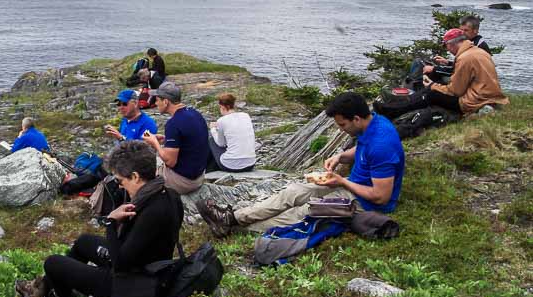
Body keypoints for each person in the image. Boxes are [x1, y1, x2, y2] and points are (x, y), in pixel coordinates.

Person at [196, 92, 405, 237]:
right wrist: (341, 156)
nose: (341, 130)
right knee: (293, 192)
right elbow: (362, 150)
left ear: (357, 118)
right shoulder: (372, 124)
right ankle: (232, 217)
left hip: (363, 202)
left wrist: (342, 181)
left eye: (342, 124)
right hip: (351, 185)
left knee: (301, 212)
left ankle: (237, 229)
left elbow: (381, 196)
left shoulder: (382, 144)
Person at [15, 141, 183, 297]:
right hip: (143, 265)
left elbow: (120, 265)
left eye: (120, 181)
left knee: (52, 262)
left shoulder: (151, 211)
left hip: (131, 285)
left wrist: (111, 222)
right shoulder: (168, 194)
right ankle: (43, 286)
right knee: (84, 242)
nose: (121, 187)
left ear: (135, 177)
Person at [386, 29, 509, 117]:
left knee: (431, 94)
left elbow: (456, 91)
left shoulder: (465, 58)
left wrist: (431, 85)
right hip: (489, 95)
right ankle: (400, 105)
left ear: (451, 43)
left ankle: (393, 110)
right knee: (435, 87)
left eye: (446, 46)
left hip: (475, 100)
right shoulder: (477, 51)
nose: (447, 49)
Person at [141, 81, 209, 194]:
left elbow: (170, 162)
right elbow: (189, 141)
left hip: (183, 182)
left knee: (143, 168)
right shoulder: (195, 113)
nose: (156, 103)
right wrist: (166, 140)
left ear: (166, 101)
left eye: (157, 100)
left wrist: (155, 143)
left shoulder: (173, 123)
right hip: (199, 177)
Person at [207, 93, 257, 173]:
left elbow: (221, 144)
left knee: (212, 140)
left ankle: (208, 171)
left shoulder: (221, 120)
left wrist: (213, 129)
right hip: (250, 164)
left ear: (222, 107)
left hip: (231, 166)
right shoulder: (246, 116)